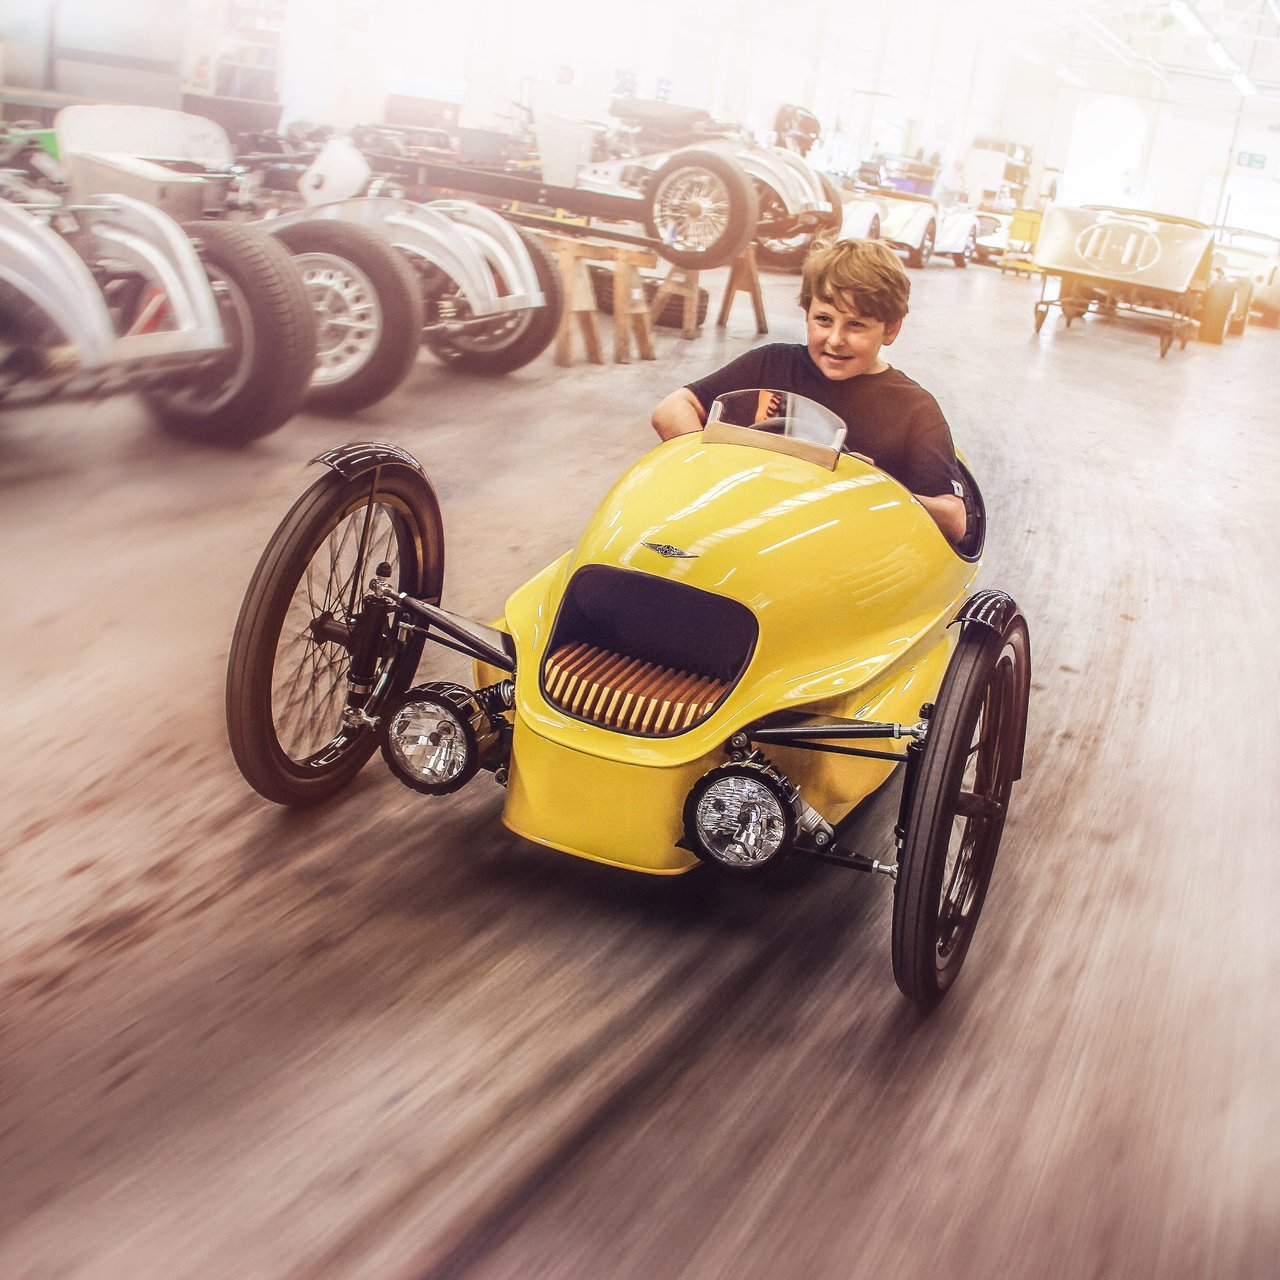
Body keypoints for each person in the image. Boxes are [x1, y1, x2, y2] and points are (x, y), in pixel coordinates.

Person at [650, 238, 967, 545]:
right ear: (807, 314)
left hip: (840, 548)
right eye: (824, 320)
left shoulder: (915, 407)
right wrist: (712, 465)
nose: (835, 340)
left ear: (891, 329)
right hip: (748, 533)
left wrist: (876, 486)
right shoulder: (771, 362)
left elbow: (954, 519)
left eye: (856, 325)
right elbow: (672, 409)